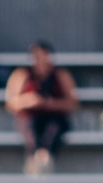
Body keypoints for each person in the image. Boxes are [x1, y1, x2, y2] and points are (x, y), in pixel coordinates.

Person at [5, 41, 79, 175]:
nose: (41, 62)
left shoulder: (60, 75)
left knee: (54, 127)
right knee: (29, 127)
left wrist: (48, 103)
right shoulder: (22, 74)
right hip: (30, 116)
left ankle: (42, 157)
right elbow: (11, 103)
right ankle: (38, 158)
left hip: (54, 117)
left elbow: (72, 103)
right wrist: (29, 101)